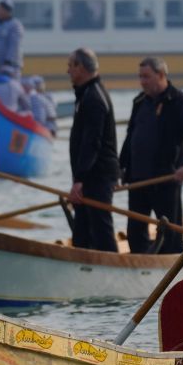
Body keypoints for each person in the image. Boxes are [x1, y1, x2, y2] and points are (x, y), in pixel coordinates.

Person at [119, 56, 183, 254]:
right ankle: (139, 263)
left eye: (147, 77)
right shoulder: (139, 102)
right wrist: (120, 168)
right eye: (140, 77)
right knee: (135, 231)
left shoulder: (181, 102)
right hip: (138, 180)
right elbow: (130, 138)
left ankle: (171, 266)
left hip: (166, 179)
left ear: (162, 75)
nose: (142, 81)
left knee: (170, 233)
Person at [67, 47, 120, 252]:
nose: (68, 71)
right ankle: (82, 262)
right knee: (82, 229)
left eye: (71, 65)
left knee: (100, 227)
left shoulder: (93, 97)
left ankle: (111, 266)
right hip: (87, 176)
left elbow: (92, 143)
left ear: (81, 67)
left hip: (98, 175)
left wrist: (80, 180)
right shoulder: (85, 94)